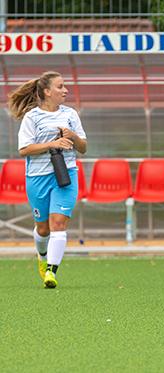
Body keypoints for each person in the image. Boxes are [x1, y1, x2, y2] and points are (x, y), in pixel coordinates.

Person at [8, 71, 87, 289]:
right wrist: (52, 145)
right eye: (60, 86)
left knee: (58, 224)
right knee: (43, 229)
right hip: (38, 177)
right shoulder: (32, 117)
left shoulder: (71, 114)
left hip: (66, 174)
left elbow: (83, 148)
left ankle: (51, 271)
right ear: (47, 91)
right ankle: (42, 257)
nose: (65, 90)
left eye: (65, 86)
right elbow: (24, 149)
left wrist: (73, 137)